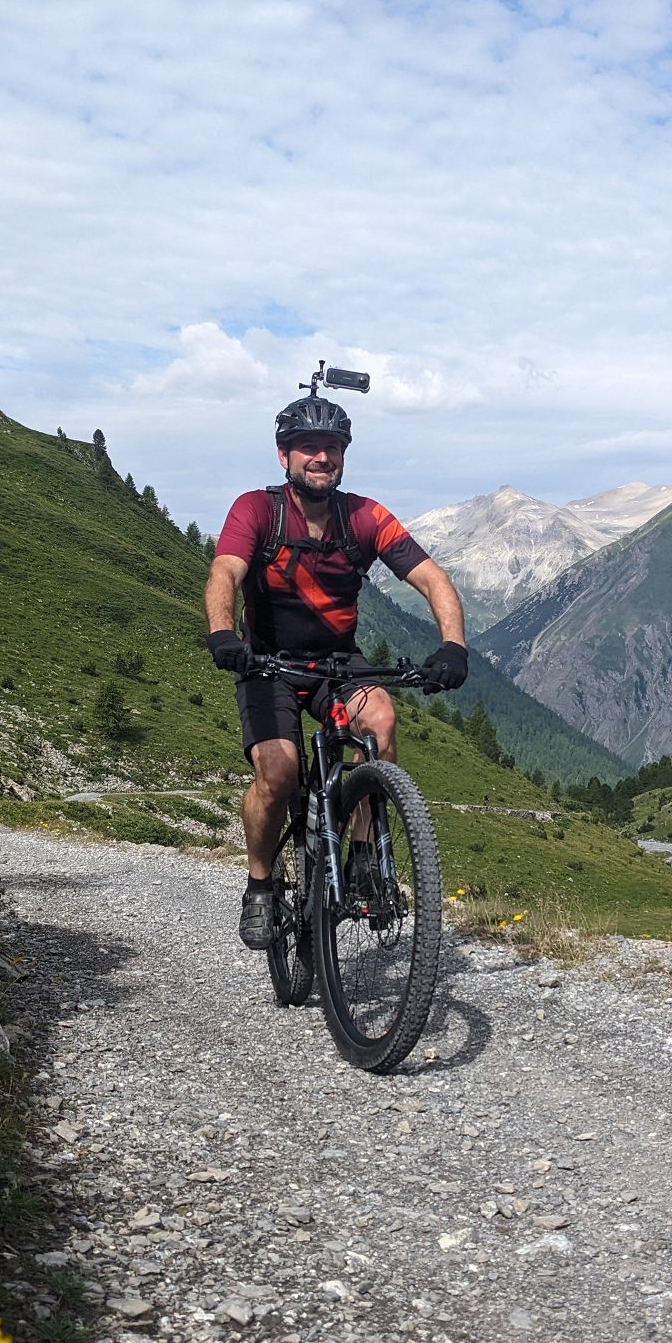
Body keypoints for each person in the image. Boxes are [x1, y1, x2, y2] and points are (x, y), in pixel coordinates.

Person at [204, 391, 468, 950]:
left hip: (336, 664)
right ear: (284, 456)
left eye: (331, 448)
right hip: (268, 662)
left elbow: (433, 579)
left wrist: (453, 646)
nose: (320, 458)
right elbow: (225, 571)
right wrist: (224, 634)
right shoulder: (256, 509)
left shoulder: (364, 517)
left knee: (382, 724)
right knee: (278, 771)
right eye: (307, 448)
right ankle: (260, 885)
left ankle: (363, 857)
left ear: (343, 456)